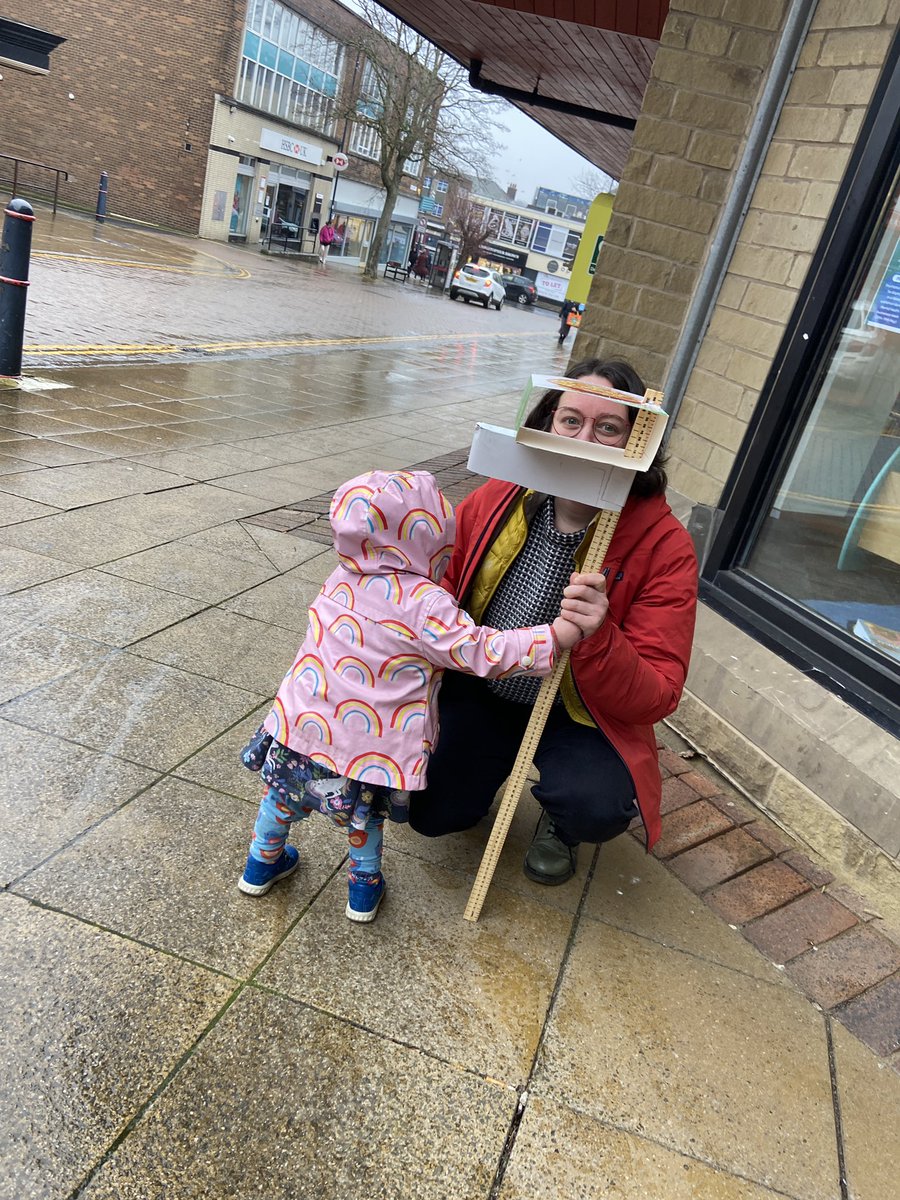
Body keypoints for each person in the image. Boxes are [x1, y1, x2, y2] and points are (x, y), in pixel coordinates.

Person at [236, 469, 610, 921]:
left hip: (300, 727)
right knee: (362, 822)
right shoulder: (424, 603)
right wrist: (554, 637)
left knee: (278, 796)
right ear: (429, 537)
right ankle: (362, 892)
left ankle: (260, 866)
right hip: (366, 747)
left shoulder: (340, 577)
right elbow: (480, 651)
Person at [408, 359, 698, 884]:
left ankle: (561, 824)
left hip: (579, 711)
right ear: (547, 424)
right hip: (486, 686)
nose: (584, 438)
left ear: (637, 445)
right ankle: (471, 776)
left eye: (607, 428)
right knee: (432, 815)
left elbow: (659, 693)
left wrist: (600, 636)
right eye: (570, 421)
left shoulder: (664, 543)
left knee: (595, 803)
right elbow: (440, 588)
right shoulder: (501, 496)